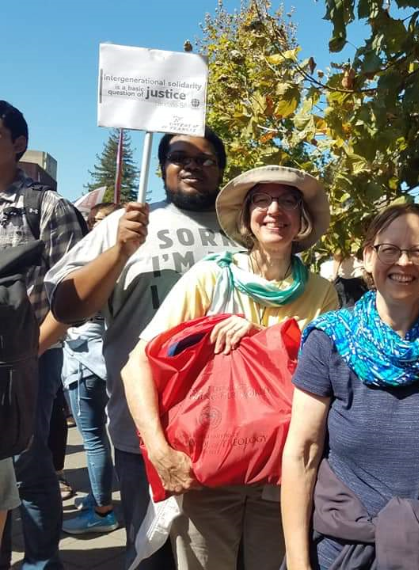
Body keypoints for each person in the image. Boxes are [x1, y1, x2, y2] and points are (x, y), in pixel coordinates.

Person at [123, 165, 339, 570]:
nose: (275, 209)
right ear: (247, 217)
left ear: (303, 218)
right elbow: (136, 365)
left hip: (283, 478)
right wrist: (160, 452)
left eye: (288, 200)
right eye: (262, 199)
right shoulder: (210, 277)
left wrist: (258, 336)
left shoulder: (321, 292)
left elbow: (326, 373)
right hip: (207, 476)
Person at [44, 128, 235, 569]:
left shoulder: (246, 229)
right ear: (161, 168)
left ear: (221, 169)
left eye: (205, 159)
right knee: (151, 557)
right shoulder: (126, 224)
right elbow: (66, 305)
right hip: (145, 431)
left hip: (230, 428)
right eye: (178, 157)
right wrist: (119, 252)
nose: (191, 165)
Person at [282, 203, 419, 569]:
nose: (403, 262)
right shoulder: (329, 339)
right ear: (367, 257)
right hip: (338, 553)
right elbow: (302, 453)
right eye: (389, 250)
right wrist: (299, 563)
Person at [0, 101, 85, 569]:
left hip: (28, 360)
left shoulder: (49, 208)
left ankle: (40, 562)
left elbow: (70, 302)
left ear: (18, 145)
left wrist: (28, 354)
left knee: (27, 468)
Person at [60, 202, 121, 534]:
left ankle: (102, 512)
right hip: (105, 359)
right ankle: (99, 501)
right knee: (101, 437)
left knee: (94, 439)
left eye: (104, 221)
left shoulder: (100, 261)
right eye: (94, 221)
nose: (97, 226)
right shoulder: (125, 258)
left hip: (86, 362)